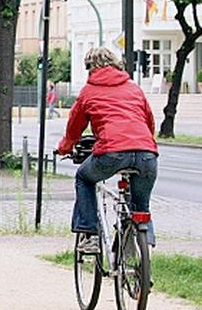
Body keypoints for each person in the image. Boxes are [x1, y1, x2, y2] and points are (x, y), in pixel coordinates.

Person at [56, 47, 158, 251]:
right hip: (147, 153)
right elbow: (149, 122)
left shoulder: (89, 91)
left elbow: (74, 127)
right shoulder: (133, 87)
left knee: (84, 178)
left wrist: (65, 148)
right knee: (140, 207)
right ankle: (144, 249)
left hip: (111, 152)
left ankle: (89, 233)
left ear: (89, 68)